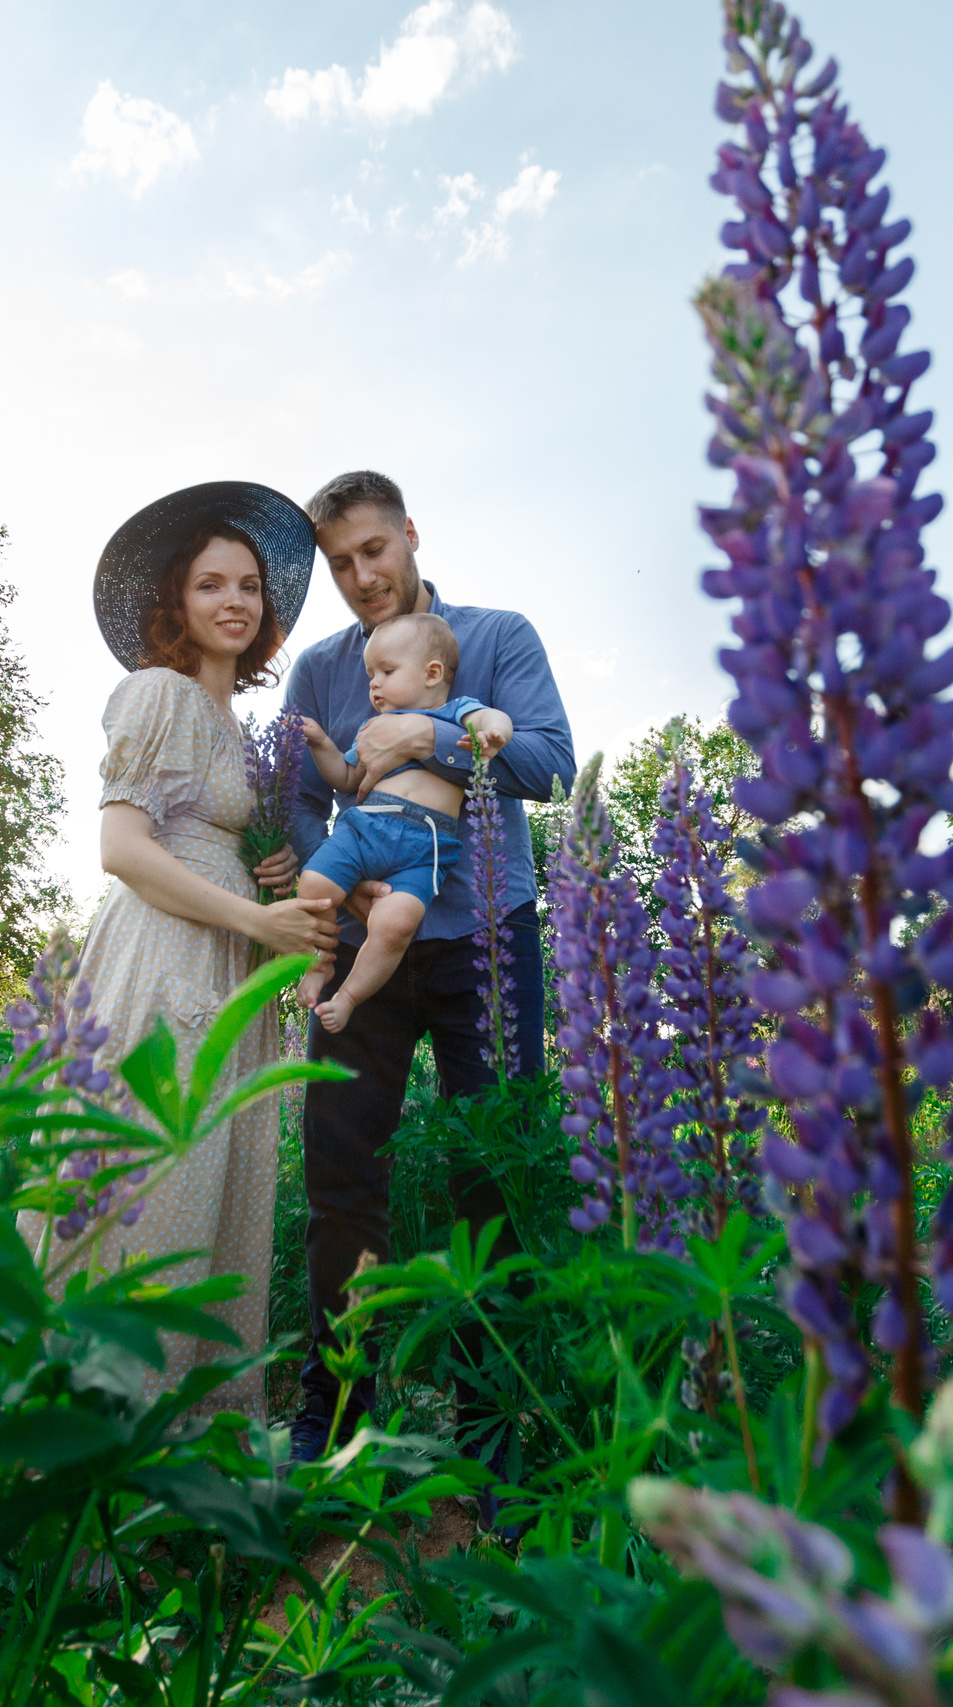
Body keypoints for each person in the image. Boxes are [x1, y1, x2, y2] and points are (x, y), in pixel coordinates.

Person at [279, 469, 576, 1475]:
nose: (362, 576)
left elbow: (551, 763)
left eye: (373, 550)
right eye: (340, 564)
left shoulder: (496, 637)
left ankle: (493, 1436)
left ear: (409, 533)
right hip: (364, 945)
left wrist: (429, 736)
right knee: (340, 1177)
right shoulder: (320, 669)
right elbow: (299, 803)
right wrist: (349, 891)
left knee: (492, 1177)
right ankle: (335, 1412)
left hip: (487, 937)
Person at [36, 480, 338, 1420]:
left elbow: (209, 834)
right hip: (164, 957)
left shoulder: (242, 732)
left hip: (229, 963)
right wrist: (257, 920)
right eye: (212, 584)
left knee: (215, 1184)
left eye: (249, 585)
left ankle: (190, 1443)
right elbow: (122, 850)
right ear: (177, 599)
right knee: (148, 1179)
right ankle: (100, 1434)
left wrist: (271, 871)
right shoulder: (157, 692)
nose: (235, 601)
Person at [293, 611, 512, 1031]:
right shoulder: (375, 727)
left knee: (395, 925)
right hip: (366, 828)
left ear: (432, 673)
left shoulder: (455, 714)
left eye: (386, 671)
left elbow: (490, 718)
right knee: (315, 885)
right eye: (370, 674)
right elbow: (347, 777)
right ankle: (320, 962)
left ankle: (348, 996)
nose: (373, 684)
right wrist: (321, 744)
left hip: (425, 848)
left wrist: (494, 734)